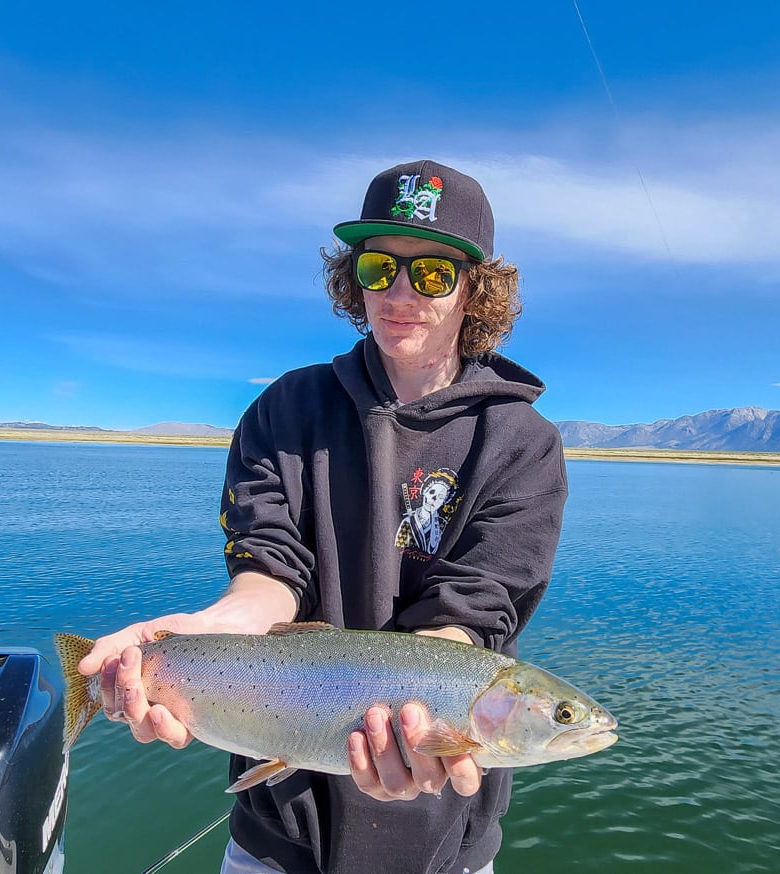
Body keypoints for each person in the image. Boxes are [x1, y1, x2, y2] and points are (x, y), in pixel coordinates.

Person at [78, 160, 569, 874]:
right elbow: (268, 568)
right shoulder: (286, 410)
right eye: (379, 267)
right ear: (355, 277)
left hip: (446, 838)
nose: (401, 293)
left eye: (432, 274)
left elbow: (476, 607)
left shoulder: (524, 443)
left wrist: (423, 721)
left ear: (474, 290)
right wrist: (215, 626)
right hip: (277, 834)